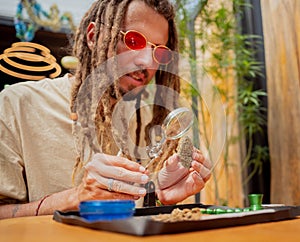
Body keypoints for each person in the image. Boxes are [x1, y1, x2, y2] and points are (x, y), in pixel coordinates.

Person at [0, 0, 211, 219]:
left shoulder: (149, 122)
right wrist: (74, 199)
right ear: (93, 37)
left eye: (159, 51)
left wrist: (159, 197)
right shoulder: (17, 104)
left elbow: (137, 218)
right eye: (133, 40)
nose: (147, 61)